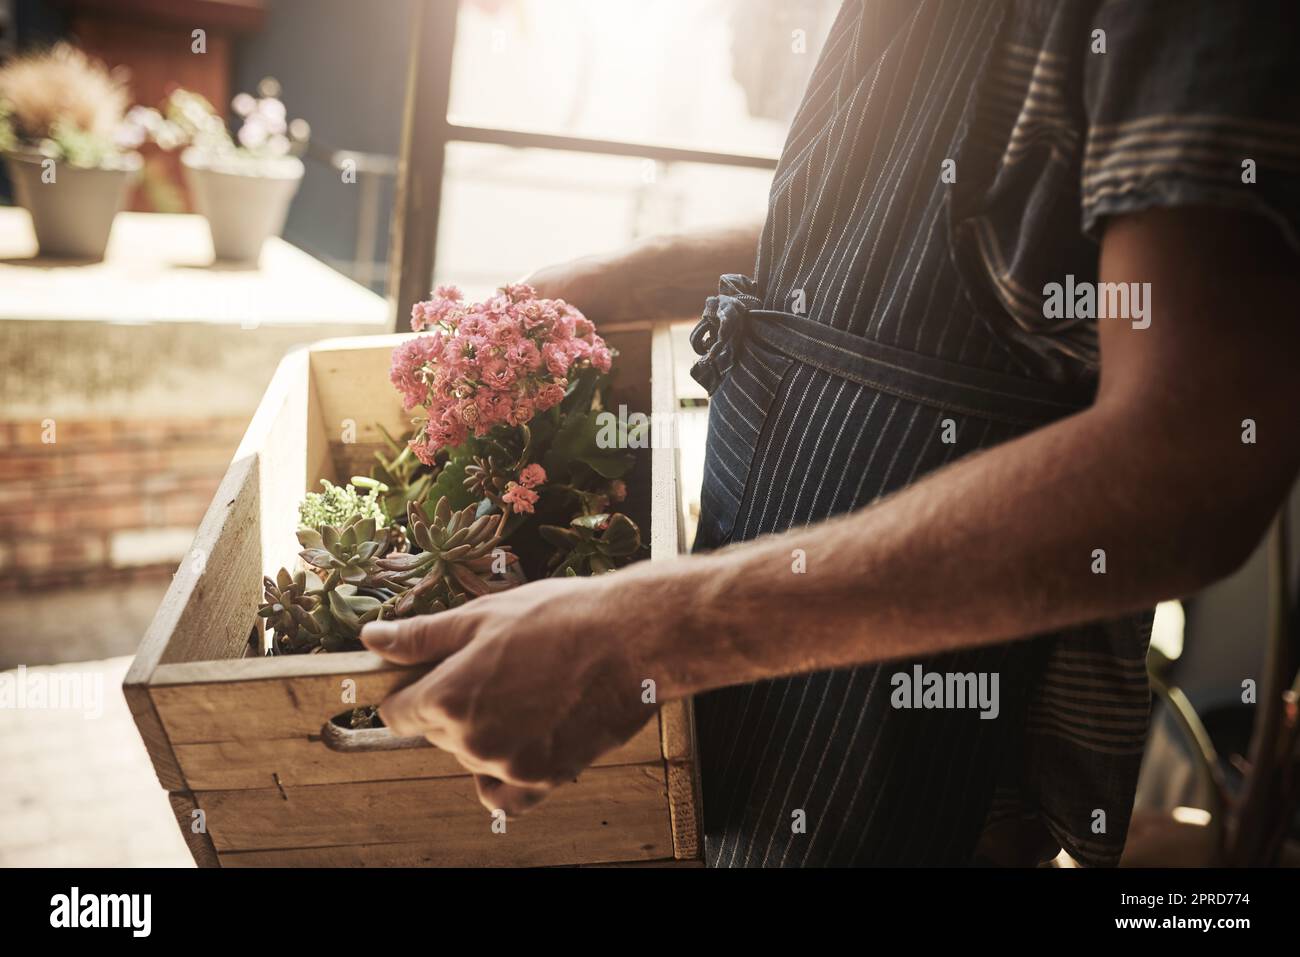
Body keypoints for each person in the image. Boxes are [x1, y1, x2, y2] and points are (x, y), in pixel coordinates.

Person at [360, 0, 1300, 866]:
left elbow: (1194, 457)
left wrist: (637, 642)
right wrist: (641, 273)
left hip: (934, 739)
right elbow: (945, 237)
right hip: (768, 694)